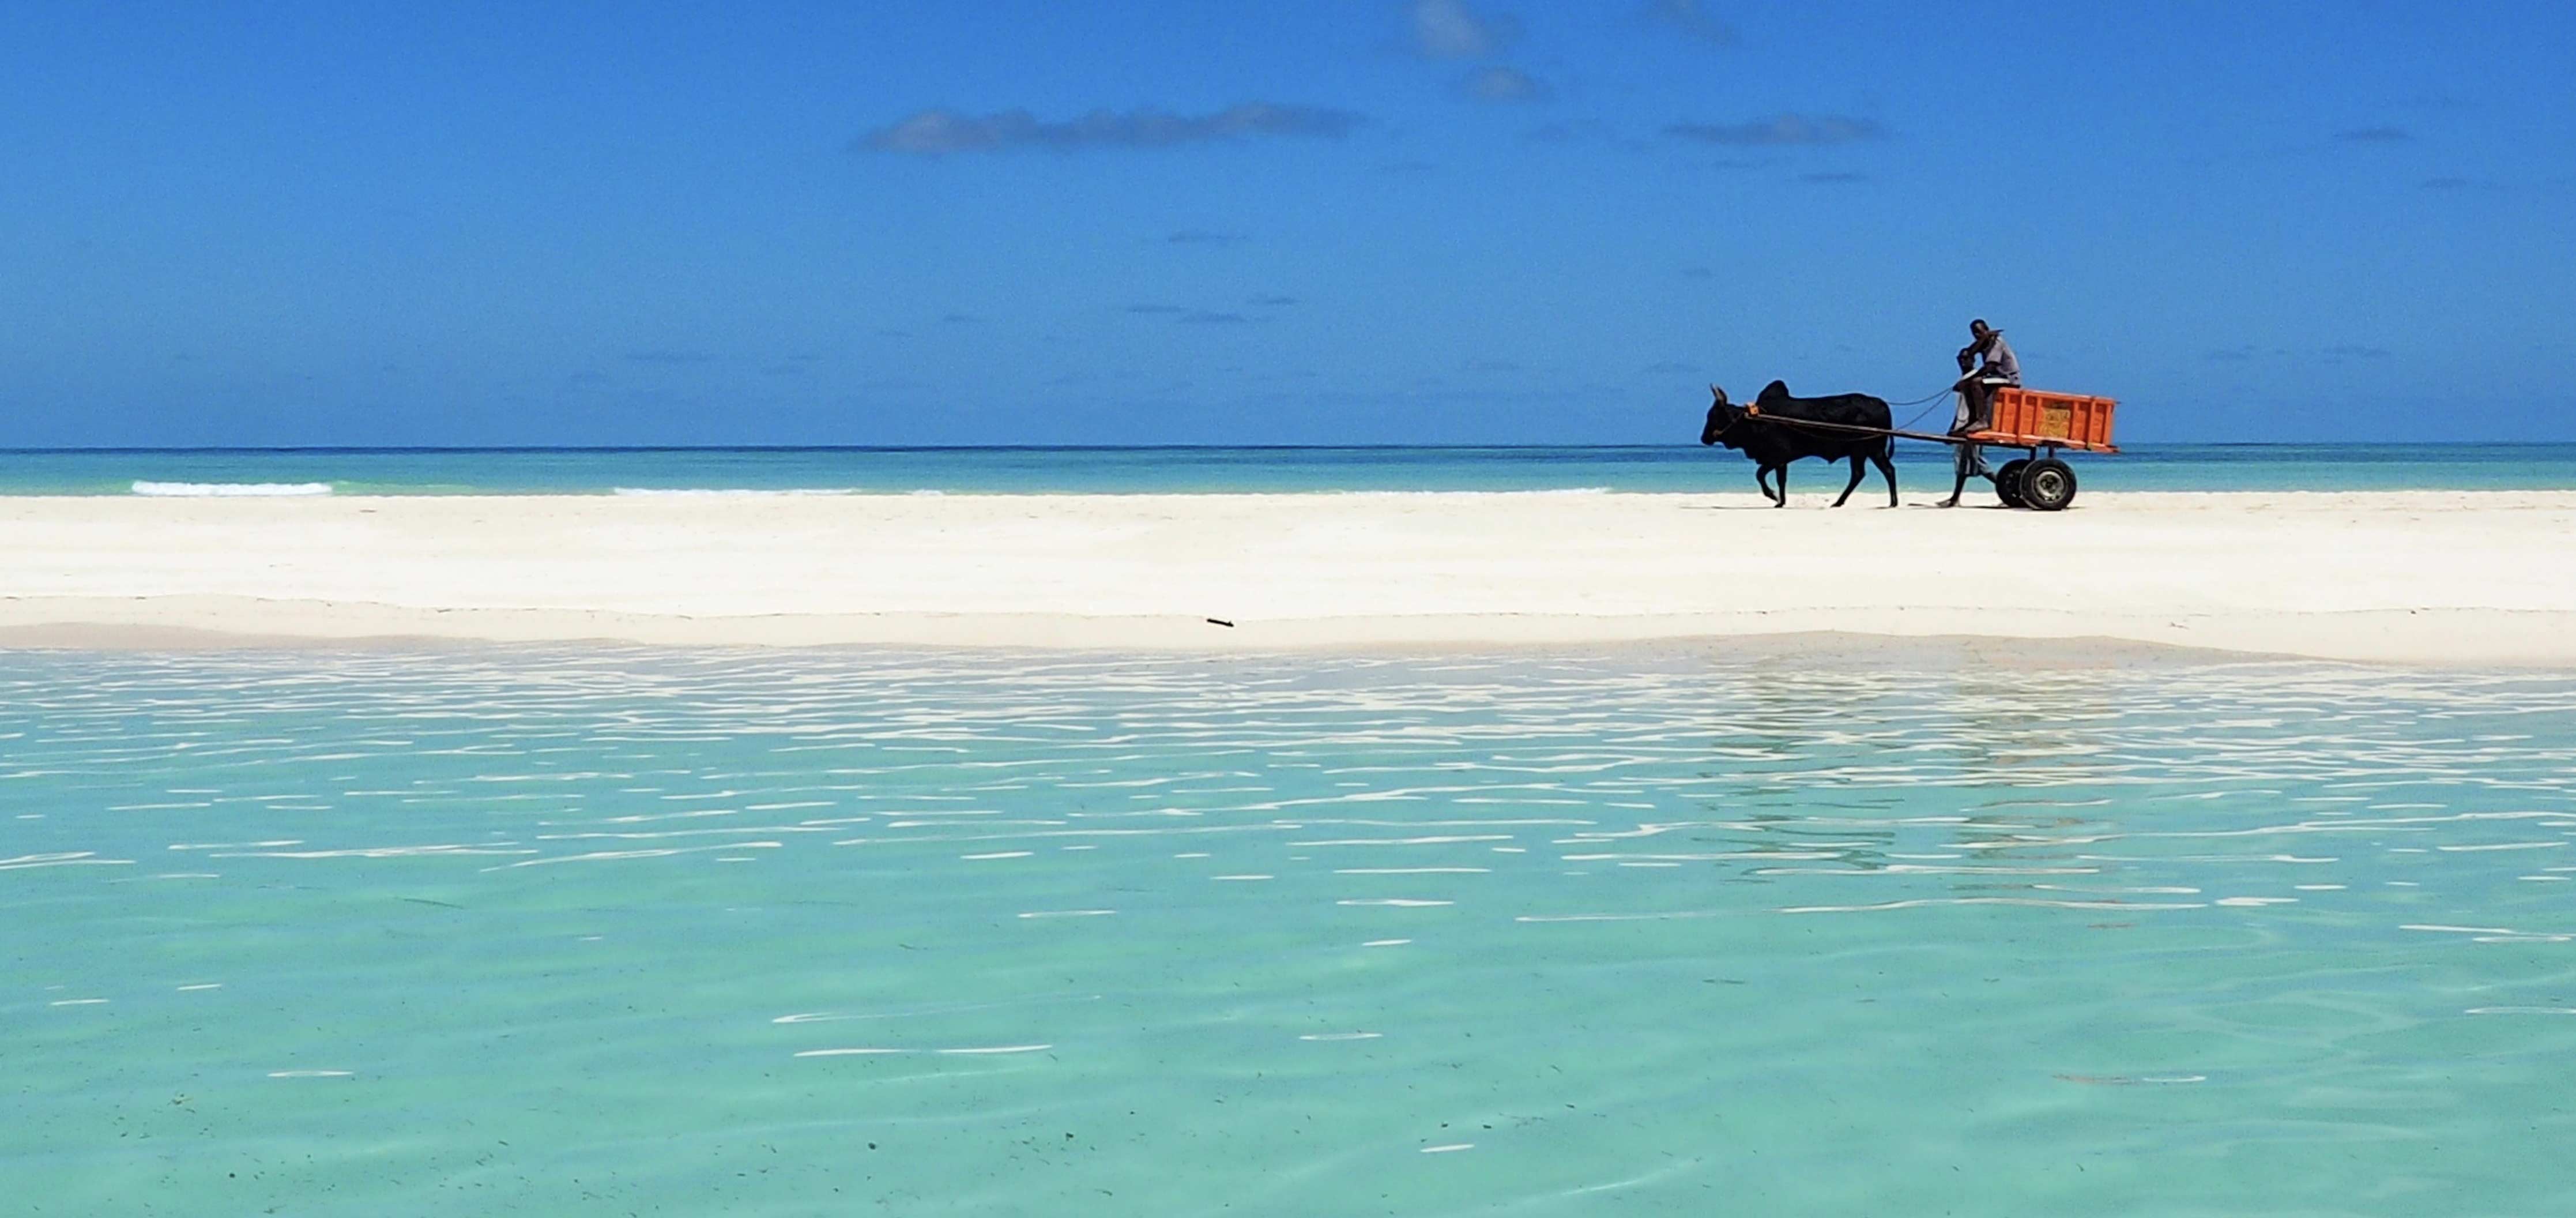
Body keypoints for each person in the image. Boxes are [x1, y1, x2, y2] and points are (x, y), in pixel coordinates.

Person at [1941, 319, 2021, 507]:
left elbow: (1991, 367)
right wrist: (1977, 343)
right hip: (1996, 378)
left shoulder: (1996, 343)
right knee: (1968, 464)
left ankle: (1981, 419)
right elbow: (1971, 352)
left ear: (1986, 330)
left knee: (1976, 383)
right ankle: (1956, 498)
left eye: (1979, 332)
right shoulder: (1985, 342)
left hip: (2008, 378)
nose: (1977, 336)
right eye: (1974, 333)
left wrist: (1986, 338)